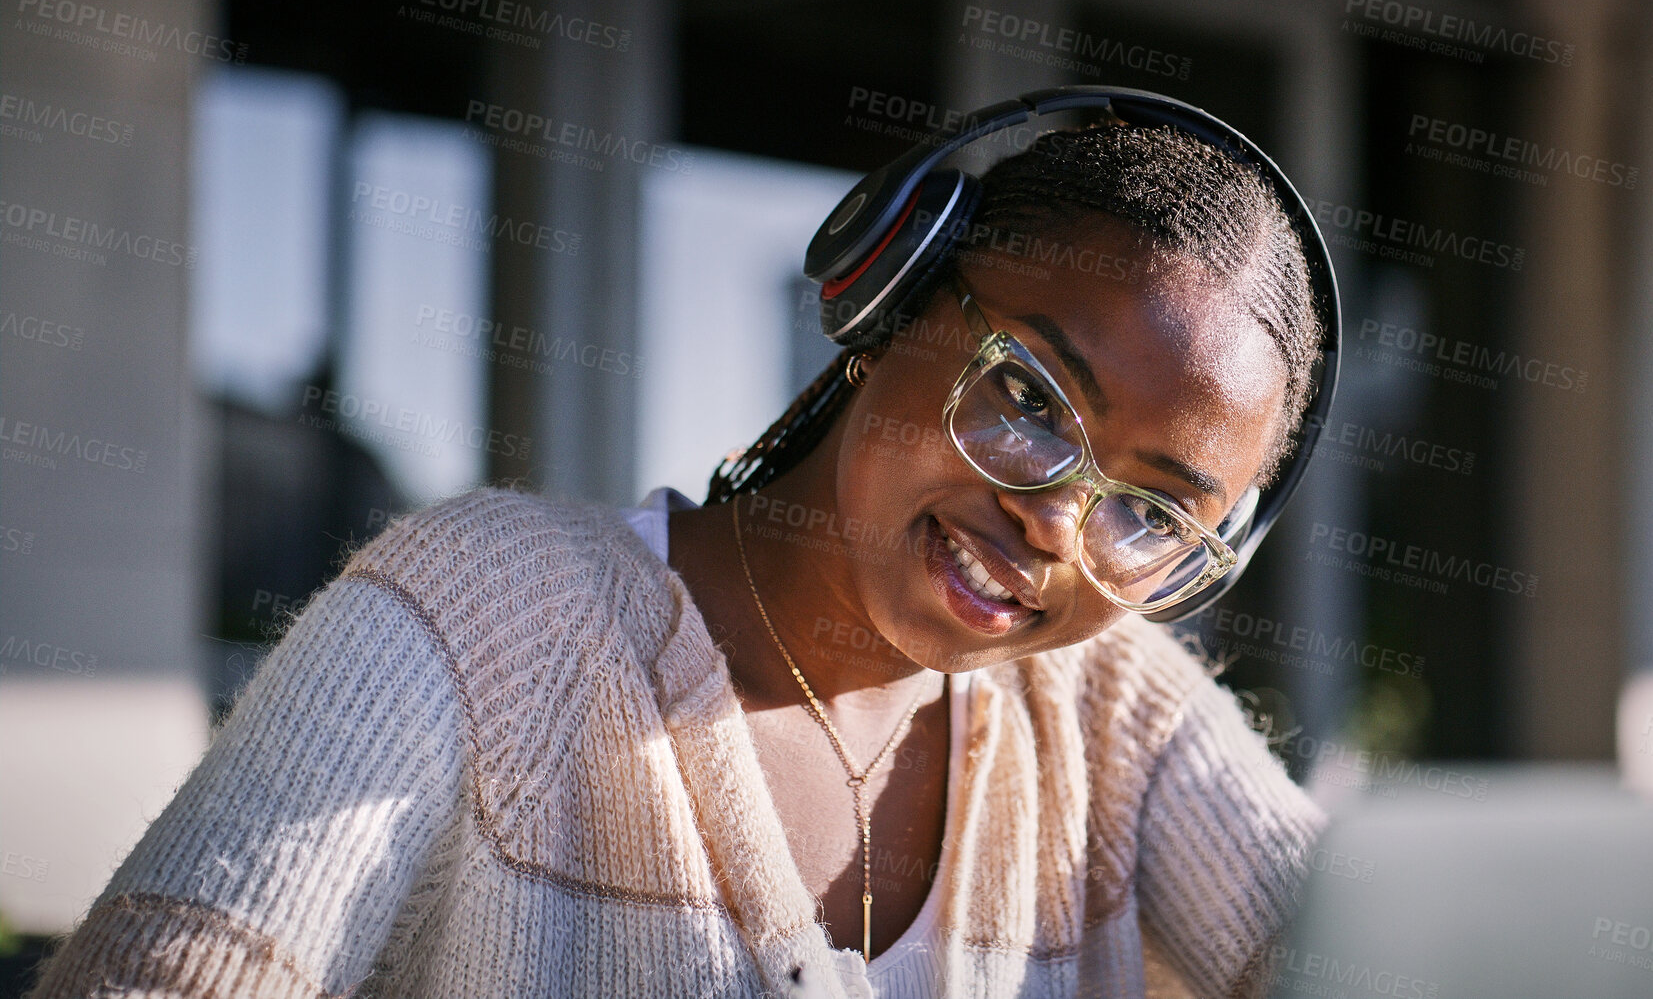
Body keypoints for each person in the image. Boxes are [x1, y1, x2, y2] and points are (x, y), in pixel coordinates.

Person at [30, 108, 1330, 999]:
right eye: (1033, 398)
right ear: (888, 302)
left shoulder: (1119, 722)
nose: (1056, 524)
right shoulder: (486, 615)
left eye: (1150, 514)